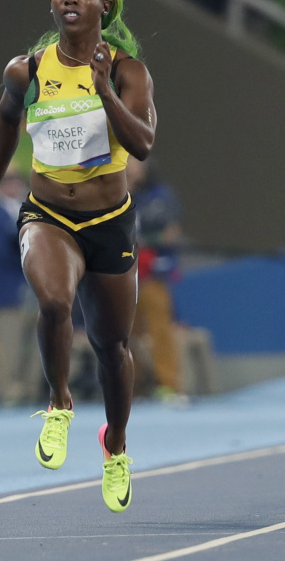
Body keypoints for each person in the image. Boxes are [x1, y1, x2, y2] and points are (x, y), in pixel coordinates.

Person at [0, 0, 156, 513]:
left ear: (103, 6)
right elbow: (4, 120)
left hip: (108, 219)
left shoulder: (126, 70)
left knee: (113, 347)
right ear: (52, 3)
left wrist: (105, 95)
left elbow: (142, 144)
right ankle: (59, 403)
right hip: (47, 213)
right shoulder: (27, 69)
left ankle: (115, 446)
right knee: (53, 299)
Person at [0, 163, 42, 405]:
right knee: (10, 343)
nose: (13, 184)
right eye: (7, 180)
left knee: (35, 342)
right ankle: (5, 389)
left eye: (16, 180)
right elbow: (0, 252)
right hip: (9, 287)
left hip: (33, 286)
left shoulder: (31, 209)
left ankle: (30, 388)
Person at [126, 157, 185, 400]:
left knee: (160, 330)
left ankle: (169, 384)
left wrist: (146, 243)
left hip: (153, 275)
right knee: (125, 333)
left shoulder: (161, 196)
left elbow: (171, 233)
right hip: (126, 276)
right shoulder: (121, 196)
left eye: (133, 164)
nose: (128, 168)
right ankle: (132, 386)